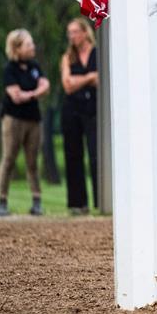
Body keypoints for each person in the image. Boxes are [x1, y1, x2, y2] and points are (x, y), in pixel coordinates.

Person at [0, 29, 50, 216]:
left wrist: (29, 94)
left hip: (33, 118)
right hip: (14, 119)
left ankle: (36, 201)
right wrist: (36, 93)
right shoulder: (9, 70)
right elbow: (15, 96)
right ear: (17, 48)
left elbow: (46, 86)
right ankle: (2, 200)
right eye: (28, 44)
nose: (32, 47)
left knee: (33, 161)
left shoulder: (34, 66)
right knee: (9, 159)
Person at [60, 18, 99, 214]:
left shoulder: (98, 53)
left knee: (96, 154)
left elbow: (101, 79)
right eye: (70, 33)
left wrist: (79, 80)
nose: (72, 36)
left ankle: (101, 200)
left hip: (94, 110)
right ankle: (77, 203)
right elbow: (67, 85)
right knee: (73, 155)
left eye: (75, 31)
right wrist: (89, 77)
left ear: (85, 32)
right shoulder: (68, 57)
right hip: (72, 110)